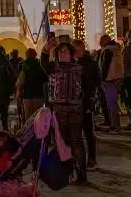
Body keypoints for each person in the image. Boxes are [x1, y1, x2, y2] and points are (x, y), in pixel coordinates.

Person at [43, 42, 88, 184]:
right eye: (61, 52)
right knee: (62, 141)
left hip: (75, 109)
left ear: (71, 54)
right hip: (59, 108)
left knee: (77, 141)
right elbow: (43, 65)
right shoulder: (54, 67)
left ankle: (81, 173)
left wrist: (86, 103)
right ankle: (66, 172)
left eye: (66, 52)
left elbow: (86, 87)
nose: (63, 54)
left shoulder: (79, 68)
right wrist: (46, 50)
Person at [73, 39, 101, 170]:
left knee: (88, 131)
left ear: (83, 50)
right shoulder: (71, 63)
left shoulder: (91, 64)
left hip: (86, 101)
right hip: (73, 103)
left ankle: (92, 158)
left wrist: (90, 96)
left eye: (77, 50)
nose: (75, 53)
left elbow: (96, 81)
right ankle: (78, 159)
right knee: (75, 133)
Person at [97, 34, 123, 133]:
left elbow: (105, 66)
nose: (100, 43)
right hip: (117, 78)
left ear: (104, 41)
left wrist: (102, 79)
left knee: (111, 104)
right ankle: (115, 124)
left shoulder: (107, 50)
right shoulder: (116, 49)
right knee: (114, 103)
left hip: (109, 79)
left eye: (101, 41)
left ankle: (114, 126)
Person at [17, 48, 47, 120]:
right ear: (35, 55)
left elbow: (19, 79)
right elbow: (46, 78)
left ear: (26, 55)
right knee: (37, 117)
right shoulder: (39, 66)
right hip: (38, 94)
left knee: (28, 116)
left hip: (26, 94)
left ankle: (28, 127)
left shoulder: (21, 65)